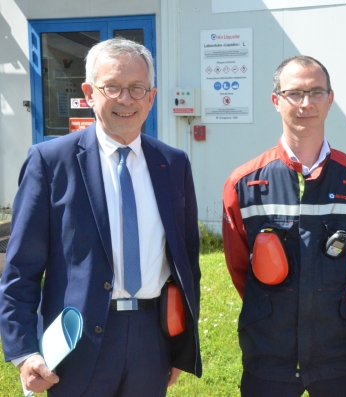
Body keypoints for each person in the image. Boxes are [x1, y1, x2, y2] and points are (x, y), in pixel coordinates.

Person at [0, 38, 201, 397]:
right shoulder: (50, 162)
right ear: (89, 93)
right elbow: (21, 269)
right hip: (77, 341)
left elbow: (187, 260)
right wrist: (24, 351)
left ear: (151, 97)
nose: (126, 99)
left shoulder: (173, 163)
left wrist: (180, 344)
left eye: (137, 88)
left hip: (150, 337)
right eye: (112, 87)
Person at [222, 55, 346, 396]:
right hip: (268, 352)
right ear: (276, 100)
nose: (306, 103)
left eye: (316, 92)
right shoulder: (243, 182)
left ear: (330, 99)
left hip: (337, 351)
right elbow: (239, 267)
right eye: (294, 93)